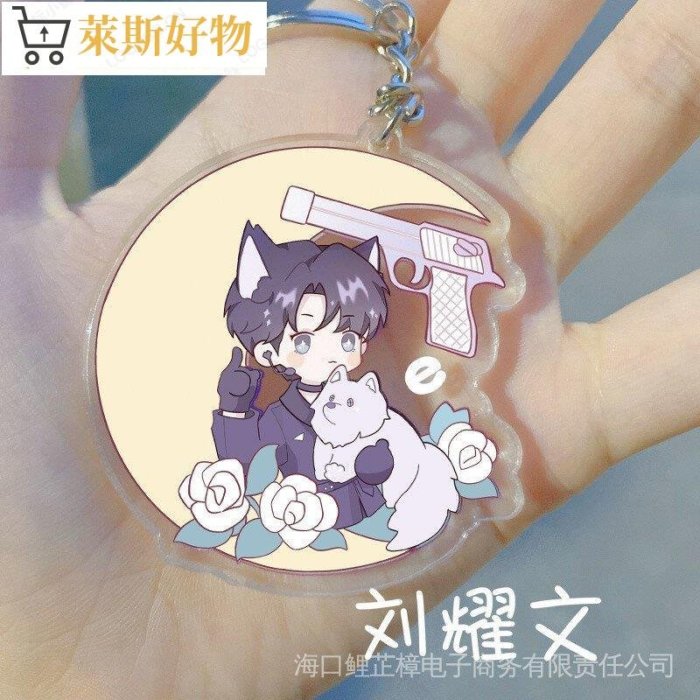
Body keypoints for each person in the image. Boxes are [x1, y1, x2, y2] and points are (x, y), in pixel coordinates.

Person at [1, 0, 697, 696]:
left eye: (342, 335)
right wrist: (239, 403)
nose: (326, 351)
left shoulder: (381, 396)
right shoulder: (269, 403)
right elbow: (243, 449)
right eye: (302, 338)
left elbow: (382, 465)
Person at [212, 221, 394, 528]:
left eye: (347, 340)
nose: (331, 354)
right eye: (304, 341)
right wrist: (233, 410)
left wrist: (376, 472)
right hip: (299, 521)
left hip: (371, 519)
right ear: (267, 352)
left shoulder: (366, 402)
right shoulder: (282, 418)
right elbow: (245, 467)